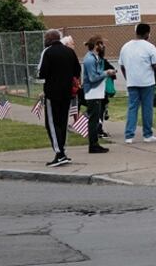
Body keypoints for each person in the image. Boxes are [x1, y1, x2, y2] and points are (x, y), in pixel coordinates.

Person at [37, 29, 80, 167]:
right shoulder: (69, 52)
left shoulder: (48, 52)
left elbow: (42, 73)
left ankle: (59, 153)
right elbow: (77, 70)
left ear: (49, 39)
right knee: (62, 123)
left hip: (52, 94)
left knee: (51, 124)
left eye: (45, 38)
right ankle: (63, 151)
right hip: (67, 93)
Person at [119, 22, 156, 144]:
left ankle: (129, 135)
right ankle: (147, 134)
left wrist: (128, 77)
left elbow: (122, 65)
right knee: (147, 108)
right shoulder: (149, 47)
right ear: (147, 33)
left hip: (132, 82)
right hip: (147, 82)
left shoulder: (125, 46)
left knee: (132, 108)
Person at [81, 35, 115, 154]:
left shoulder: (95, 58)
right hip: (92, 92)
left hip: (97, 92)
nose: (103, 46)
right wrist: (107, 72)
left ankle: (95, 144)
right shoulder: (90, 59)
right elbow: (93, 77)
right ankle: (93, 145)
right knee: (93, 120)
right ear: (96, 46)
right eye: (101, 44)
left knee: (96, 119)